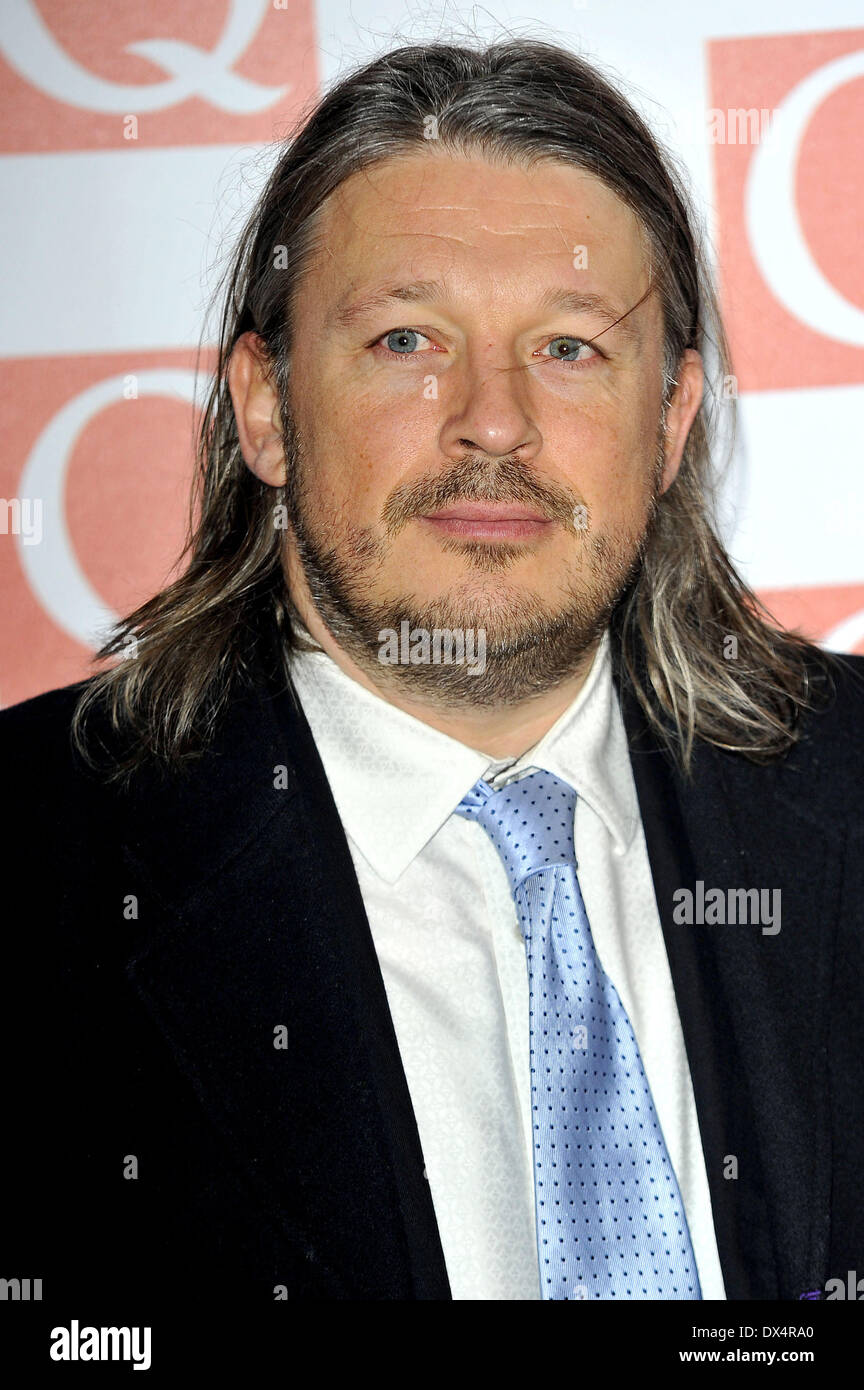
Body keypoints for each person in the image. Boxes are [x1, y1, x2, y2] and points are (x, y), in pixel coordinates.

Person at [2, 38, 862, 1306]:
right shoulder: (37, 865)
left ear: (673, 420)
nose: (494, 420)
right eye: (407, 339)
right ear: (266, 409)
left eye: (570, 347)